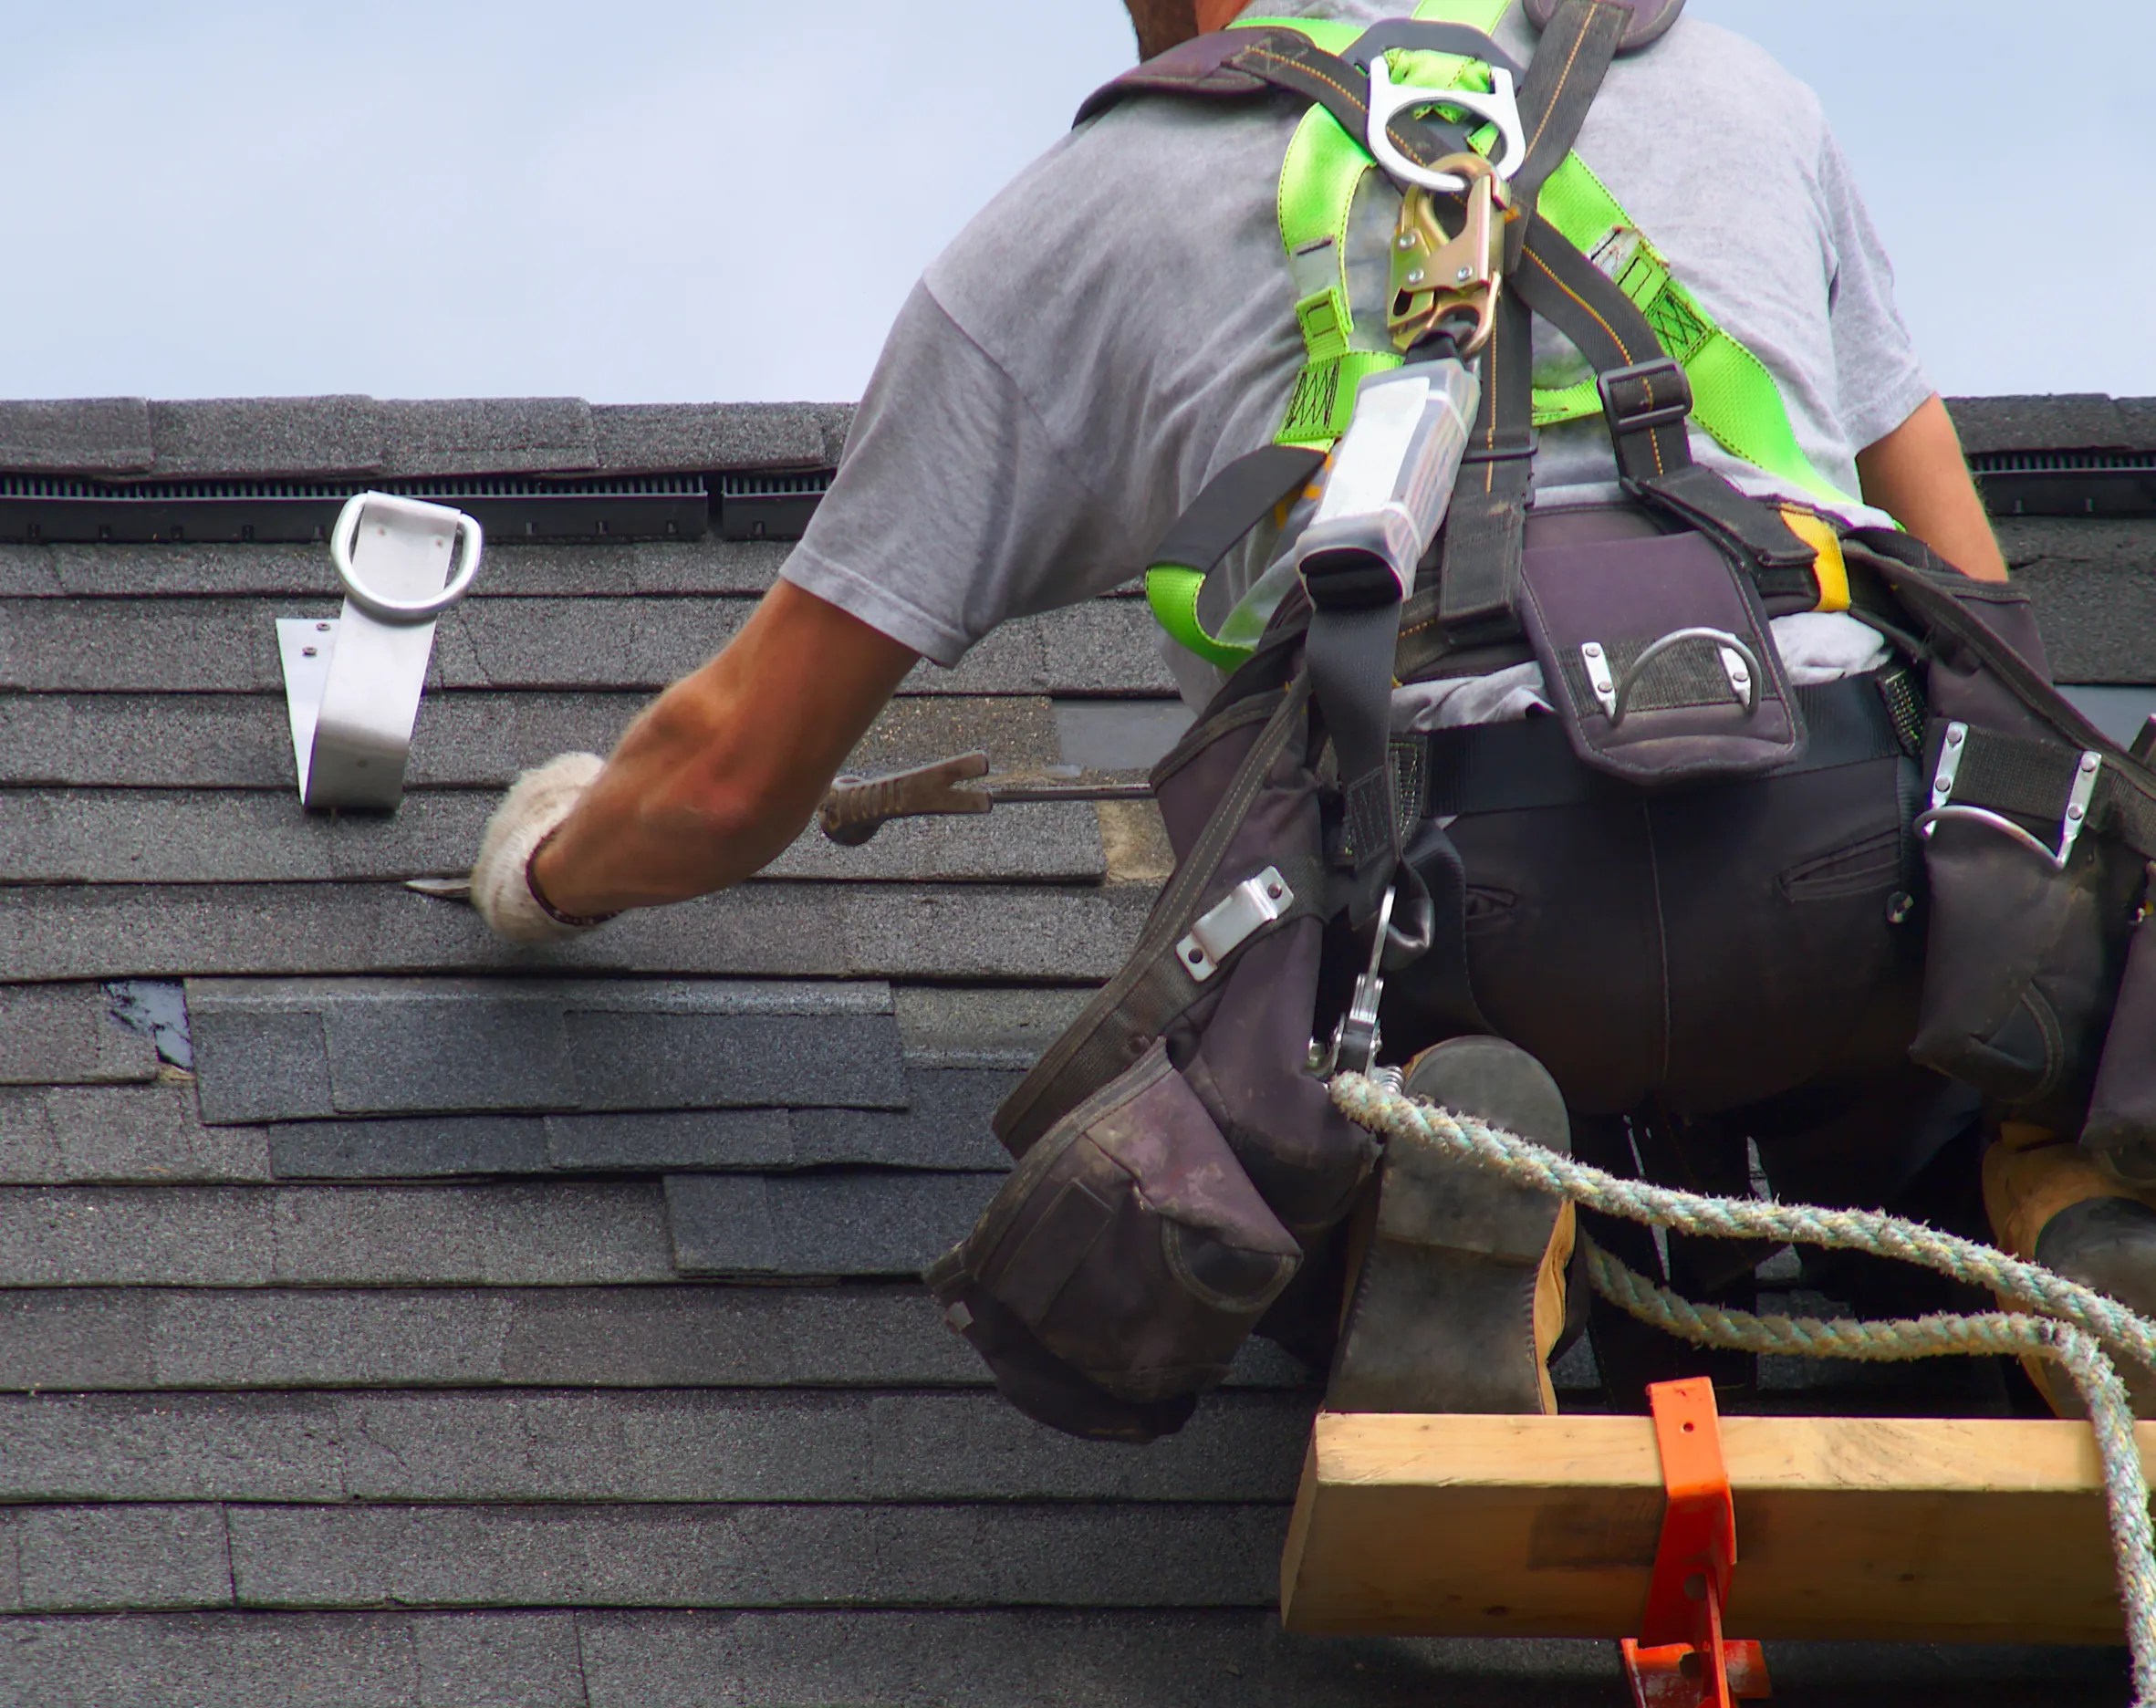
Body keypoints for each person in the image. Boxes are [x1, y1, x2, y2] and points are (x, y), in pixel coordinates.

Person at [470, 0, 2151, 1426]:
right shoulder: (1734, 91)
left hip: (1450, 919)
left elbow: (731, 771)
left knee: (1313, 1073)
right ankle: (2046, 1184)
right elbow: (1982, 632)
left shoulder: (1085, 216)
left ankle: (1467, 1203)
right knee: (1979, 960)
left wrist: (546, 871)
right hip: (1851, 879)